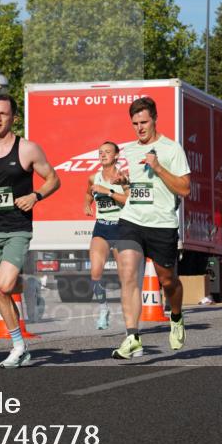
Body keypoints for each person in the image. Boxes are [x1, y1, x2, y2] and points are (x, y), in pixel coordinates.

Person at [0, 94, 60, 368]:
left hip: (17, 227)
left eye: (3, 114)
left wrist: (36, 196)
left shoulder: (27, 149)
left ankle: (21, 297)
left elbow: (54, 179)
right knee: (0, 287)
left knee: (3, 285)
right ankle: (20, 345)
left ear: (13, 118)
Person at [111, 97, 191, 359]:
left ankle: (176, 317)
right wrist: (124, 183)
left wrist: (158, 167)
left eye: (144, 122)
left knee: (168, 282)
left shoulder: (171, 149)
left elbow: (185, 189)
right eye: (135, 123)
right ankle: (132, 336)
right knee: (128, 273)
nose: (139, 128)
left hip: (162, 224)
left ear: (155, 118)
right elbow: (134, 189)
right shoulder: (129, 151)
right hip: (132, 220)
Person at [83, 141, 128, 329]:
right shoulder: (94, 177)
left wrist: (108, 192)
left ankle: (129, 320)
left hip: (120, 228)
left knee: (124, 277)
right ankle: (103, 309)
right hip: (101, 227)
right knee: (95, 273)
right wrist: (87, 204)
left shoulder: (123, 177)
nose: (103, 155)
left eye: (107, 152)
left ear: (116, 155)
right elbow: (88, 193)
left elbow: (129, 201)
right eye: (100, 152)